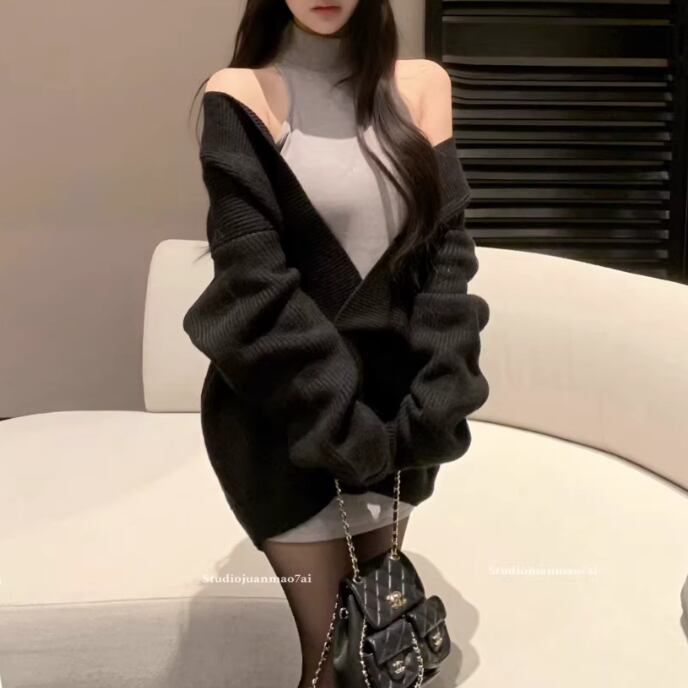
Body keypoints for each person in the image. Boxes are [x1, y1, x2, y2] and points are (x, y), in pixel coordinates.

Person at [183, 1, 490, 686]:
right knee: (329, 662)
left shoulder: (422, 85)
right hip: (287, 422)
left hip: (398, 425)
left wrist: (439, 402)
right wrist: (350, 435)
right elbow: (254, 286)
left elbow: (446, 259)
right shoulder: (240, 95)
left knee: (377, 653)